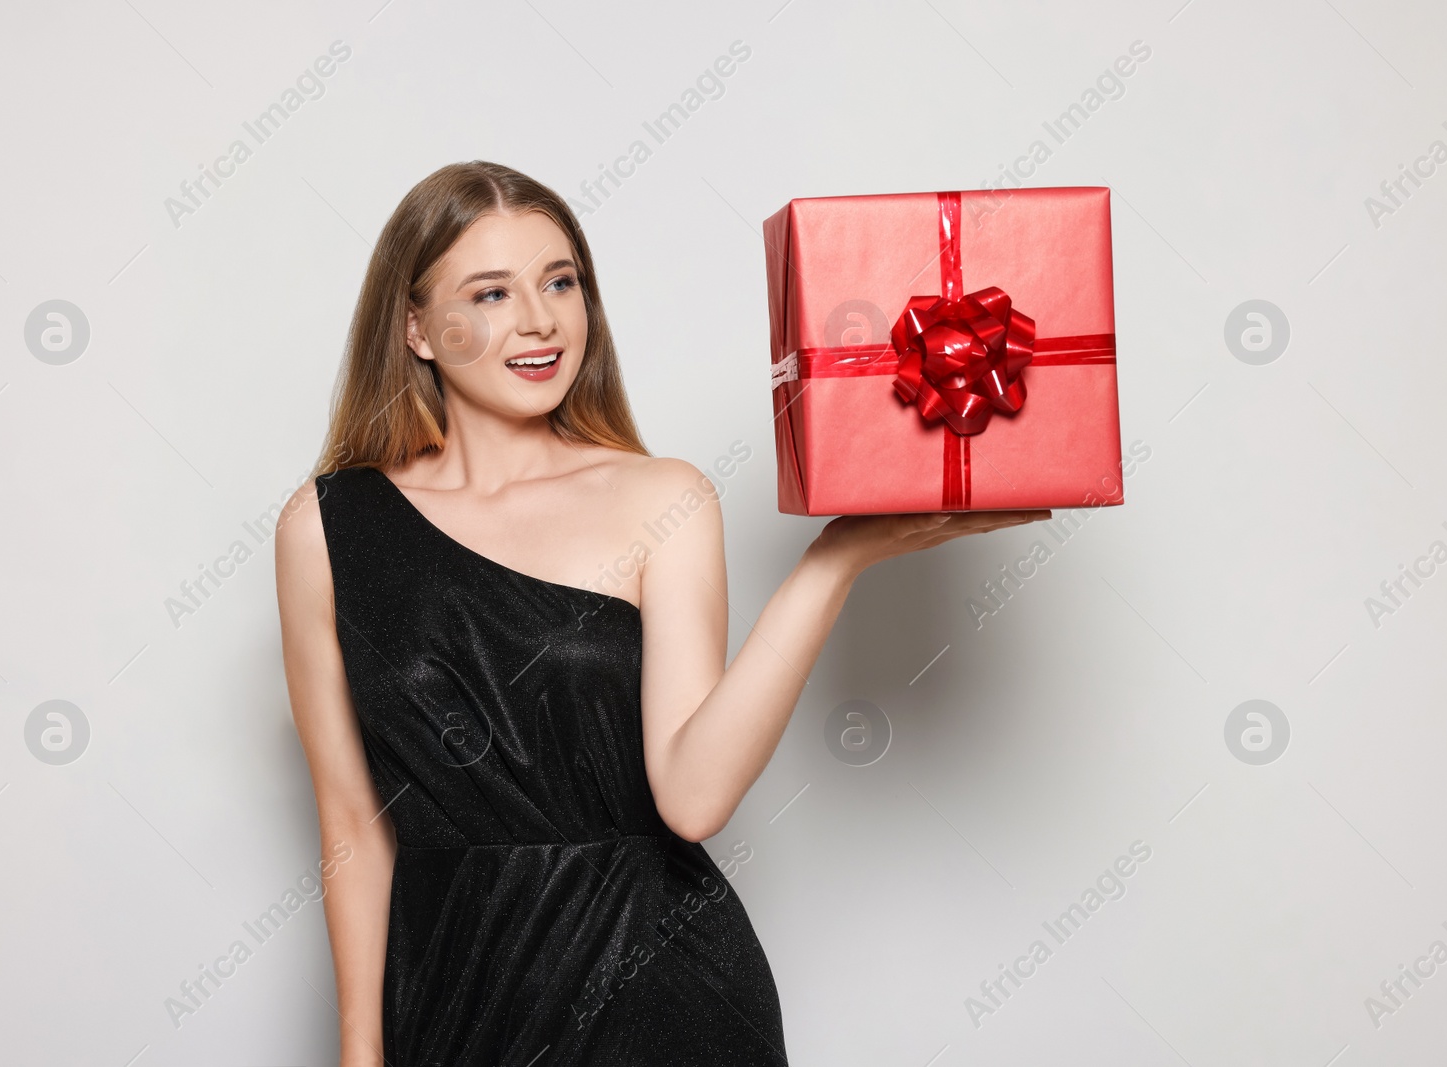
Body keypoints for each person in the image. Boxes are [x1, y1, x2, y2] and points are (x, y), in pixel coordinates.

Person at [274, 160, 1047, 1065]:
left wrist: (832, 563)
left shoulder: (663, 498)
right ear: (415, 328)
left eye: (561, 282)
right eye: (490, 293)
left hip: (663, 997)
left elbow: (693, 794)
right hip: (452, 991)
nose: (539, 319)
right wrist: (361, 1055)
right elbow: (351, 830)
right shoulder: (324, 527)